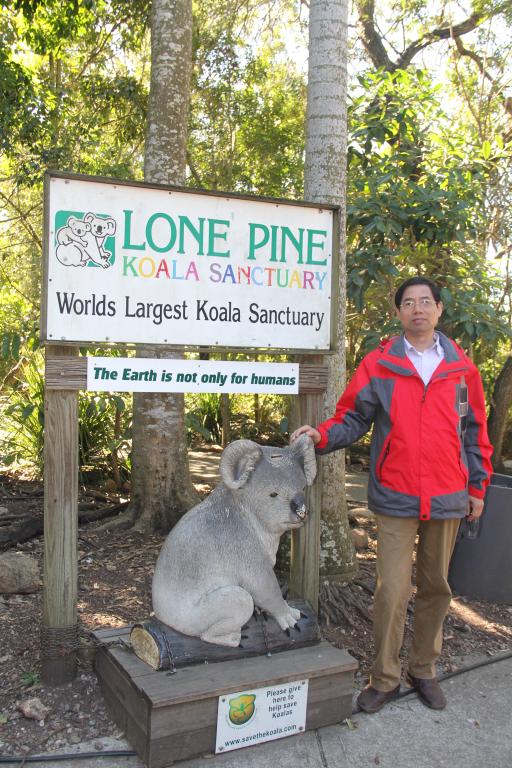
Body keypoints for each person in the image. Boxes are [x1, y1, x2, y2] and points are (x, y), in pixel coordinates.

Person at [290, 276, 493, 713]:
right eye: (409, 303)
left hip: (448, 494)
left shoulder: (461, 370)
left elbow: (473, 430)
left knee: (436, 587)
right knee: (392, 590)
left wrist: (477, 486)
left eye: (426, 301)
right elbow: (352, 416)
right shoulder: (380, 364)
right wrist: (322, 435)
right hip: (396, 494)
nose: (418, 309)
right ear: (399, 312)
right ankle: (384, 677)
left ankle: (424, 670)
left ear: (439, 309)